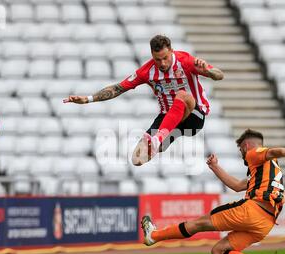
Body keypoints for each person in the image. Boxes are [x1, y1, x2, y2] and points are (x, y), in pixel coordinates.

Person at [141, 129, 285, 254]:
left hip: (251, 211)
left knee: (199, 224)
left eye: (241, 150)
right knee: (218, 251)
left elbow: (271, 151)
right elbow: (237, 186)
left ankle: (153, 235)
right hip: (265, 224)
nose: (242, 154)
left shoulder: (253, 153)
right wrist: (215, 167)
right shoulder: (267, 170)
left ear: (246, 146)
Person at [63, 34, 224, 165]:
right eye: (157, 59)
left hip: (194, 117)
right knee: (137, 158)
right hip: (168, 118)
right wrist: (88, 99)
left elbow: (219, 75)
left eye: (165, 58)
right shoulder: (147, 71)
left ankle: (157, 139)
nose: (162, 63)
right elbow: (119, 88)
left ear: (171, 51)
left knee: (181, 95)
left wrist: (208, 72)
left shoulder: (186, 62)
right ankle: (159, 141)